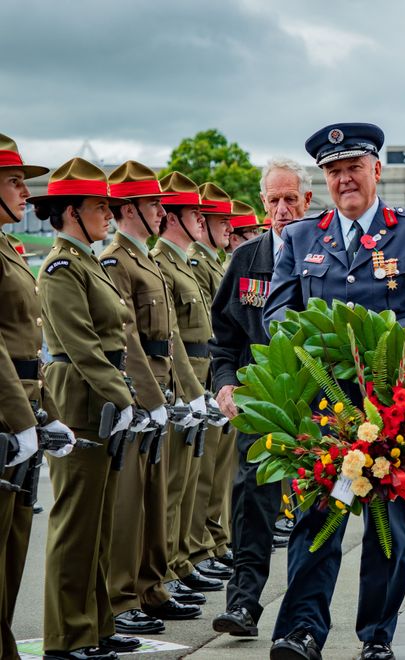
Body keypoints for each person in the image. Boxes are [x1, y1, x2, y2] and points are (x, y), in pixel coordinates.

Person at [264, 122, 405, 660]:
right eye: (333, 171)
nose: (344, 178)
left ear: (376, 169)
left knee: (388, 526)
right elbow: (278, 312)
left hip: (394, 404)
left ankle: (376, 636)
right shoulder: (304, 237)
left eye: (353, 167)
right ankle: (302, 631)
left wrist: (384, 342)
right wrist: (310, 345)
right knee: (315, 519)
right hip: (325, 407)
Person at [32, 158, 142, 660]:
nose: (109, 215)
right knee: (75, 523)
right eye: (100, 206)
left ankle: (96, 623)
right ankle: (66, 635)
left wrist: (122, 395)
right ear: (71, 211)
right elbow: (80, 344)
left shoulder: (88, 260)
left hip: (101, 395)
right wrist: (124, 397)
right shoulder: (59, 267)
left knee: (97, 522)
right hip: (80, 399)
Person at [210, 158, 313, 638]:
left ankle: (303, 615)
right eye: (273, 200)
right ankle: (244, 604)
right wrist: (225, 382)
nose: (282, 209)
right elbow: (224, 337)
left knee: (316, 507)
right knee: (251, 500)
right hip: (259, 399)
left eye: (291, 198)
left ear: (308, 201)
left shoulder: (328, 252)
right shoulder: (247, 258)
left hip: (317, 402)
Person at [101, 161, 204, 633]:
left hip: (161, 386)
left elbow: (173, 339)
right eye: (152, 205)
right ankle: (121, 598)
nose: (161, 212)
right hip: (137, 390)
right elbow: (128, 338)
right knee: (129, 506)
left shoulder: (144, 258)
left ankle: (150, 586)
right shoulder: (115, 259)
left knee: (157, 497)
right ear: (129, 209)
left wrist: (185, 391)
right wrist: (148, 396)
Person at [0, 134, 75, 660]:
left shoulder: (7, 246)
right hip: (5, 421)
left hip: (20, 412)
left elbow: (26, 342)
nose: (26, 192)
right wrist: (20, 418)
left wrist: (42, 411)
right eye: (13, 181)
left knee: (12, 556)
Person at [151, 173, 222, 600]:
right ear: (173, 217)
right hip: (182, 377)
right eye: (195, 213)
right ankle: (176, 561)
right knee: (178, 482)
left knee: (202, 475)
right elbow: (173, 334)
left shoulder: (183, 261)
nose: (203, 219)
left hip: (202, 370)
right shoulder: (168, 261)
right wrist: (190, 389)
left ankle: (189, 554)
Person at [186, 182, 237, 583]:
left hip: (205, 373)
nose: (226, 228)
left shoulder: (215, 263)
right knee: (189, 481)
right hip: (190, 377)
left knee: (216, 473)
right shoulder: (193, 264)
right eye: (221, 221)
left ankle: (211, 543)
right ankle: (190, 552)